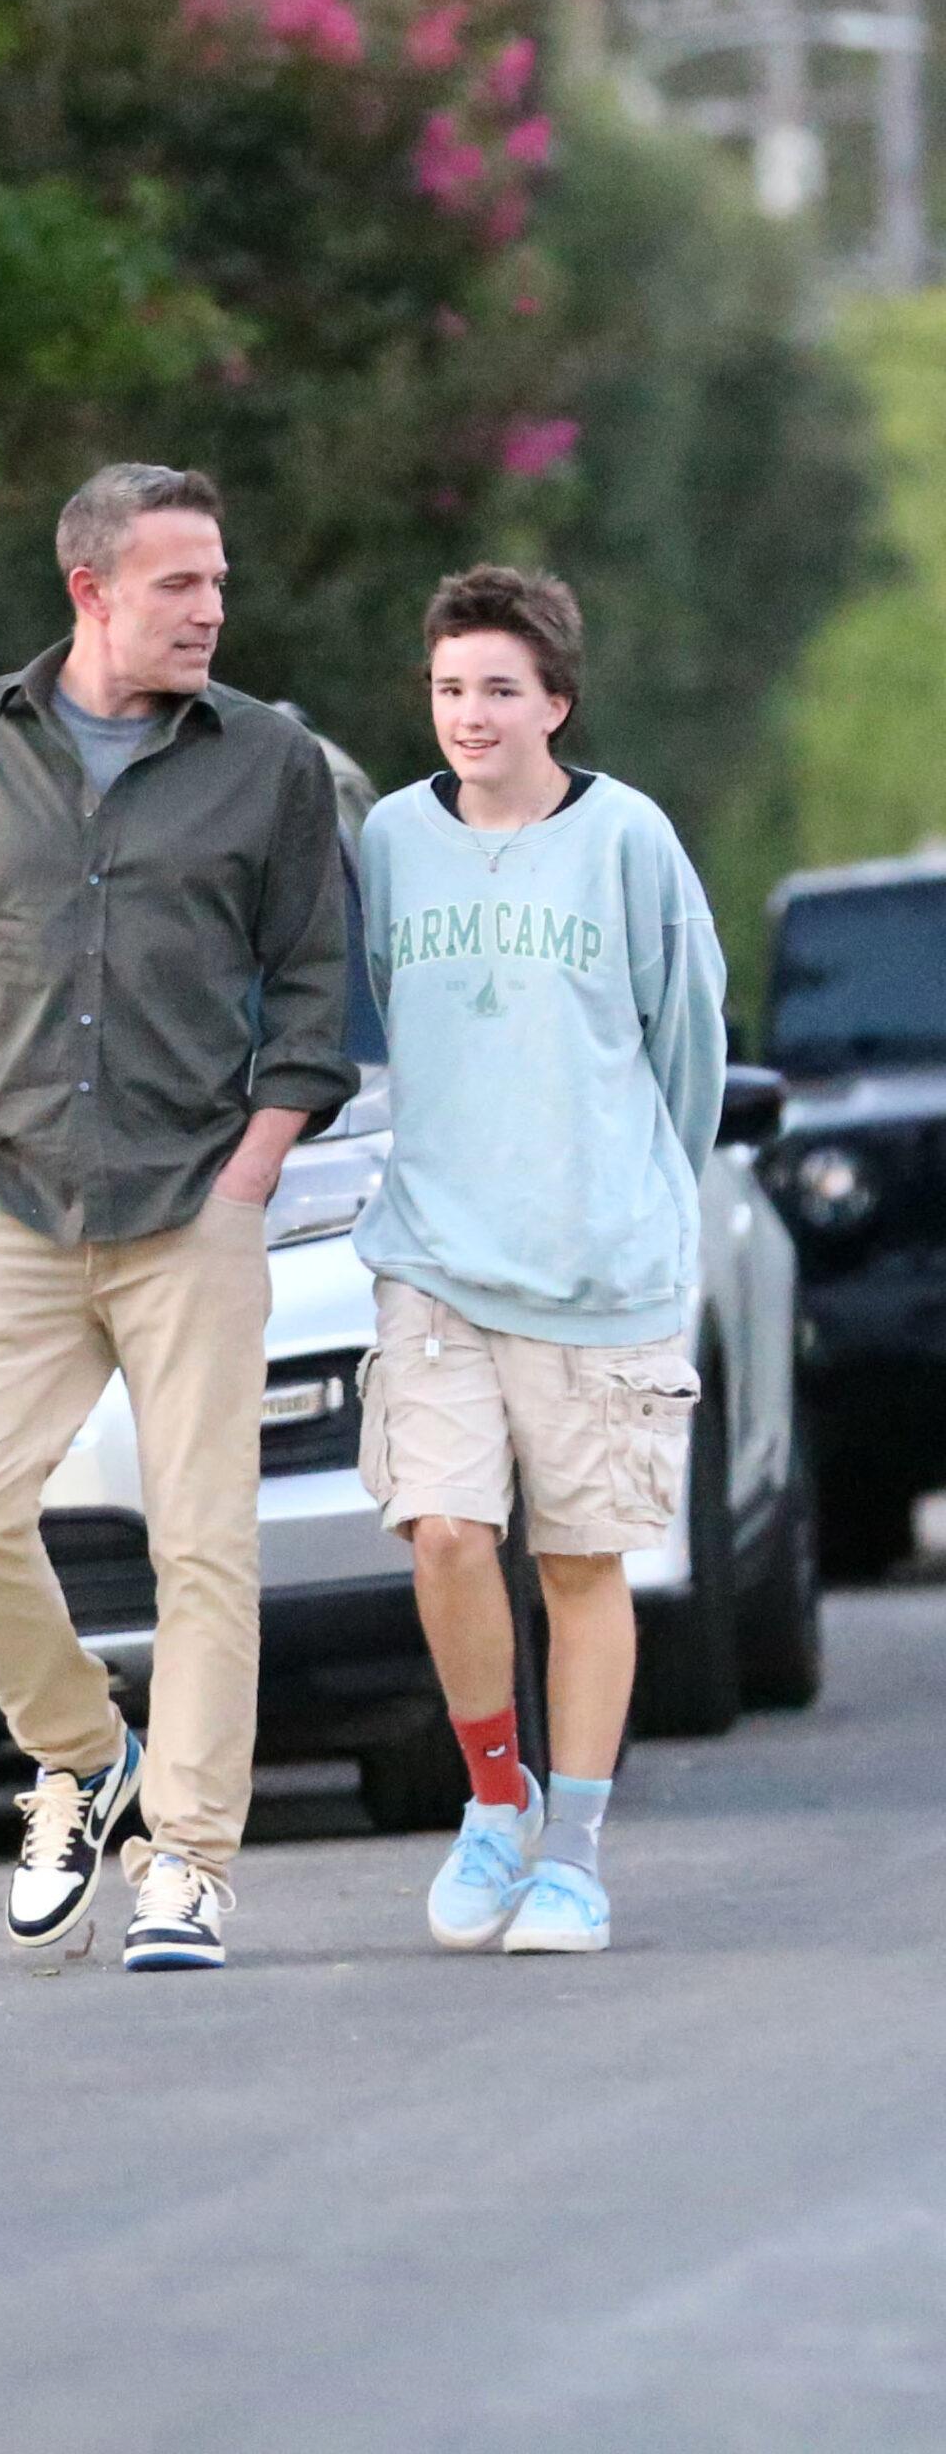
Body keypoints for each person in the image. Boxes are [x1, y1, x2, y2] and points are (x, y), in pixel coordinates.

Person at [0, 463, 356, 1970]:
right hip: (2, 1200)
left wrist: (249, 1175)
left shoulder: (265, 759)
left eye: (215, 583)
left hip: (191, 1202)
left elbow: (317, 997)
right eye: (176, 585)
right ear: (88, 592)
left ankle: (189, 1863)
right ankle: (82, 1752)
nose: (209, 609)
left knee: (203, 1546)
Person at [353, 565, 726, 1955]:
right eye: (449, 689)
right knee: (443, 1533)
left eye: (498, 690)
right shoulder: (388, 838)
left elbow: (684, 1042)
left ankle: (571, 1852)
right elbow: (384, 1012)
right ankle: (493, 1799)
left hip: (597, 1268)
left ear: (553, 701)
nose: (469, 715)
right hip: (436, 1256)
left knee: (579, 1564)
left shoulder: (627, 840)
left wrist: (635, 1197)